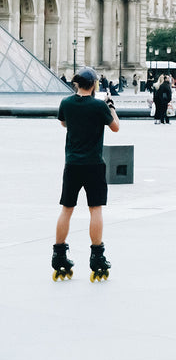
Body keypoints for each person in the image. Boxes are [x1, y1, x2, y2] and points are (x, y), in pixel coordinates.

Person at [53, 67, 120, 281]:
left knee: (67, 208)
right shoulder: (99, 106)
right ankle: (97, 257)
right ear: (93, 85)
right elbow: (116, 127)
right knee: (95, 209)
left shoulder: (66, 103)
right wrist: (111, 107)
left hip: (72, 163)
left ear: (76, 84)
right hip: (93, 164)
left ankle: (59, 255)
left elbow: (64, 123)